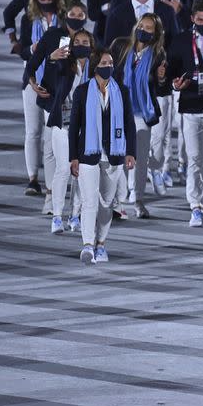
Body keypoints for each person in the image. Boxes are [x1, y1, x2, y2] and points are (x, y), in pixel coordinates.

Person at [69, 48, 136, 264]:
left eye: (111, 63)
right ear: (95, 66)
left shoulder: (122, 92)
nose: (108, 67)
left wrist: (130, 152)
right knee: (89, 202)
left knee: (107, 204)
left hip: (114, 156)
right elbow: (74, 127)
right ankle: (87, 245)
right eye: (104, 63)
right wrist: (73, 157)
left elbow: (129, 124)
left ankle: (100, 244)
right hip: (88, 154)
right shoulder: (81, 92)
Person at [26, 0, 90, 225]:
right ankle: (51, 197)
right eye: (73, 13)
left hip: (79, 111)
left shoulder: (88, 43)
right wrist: (34, 83)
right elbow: (32, 65)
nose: (77, 17)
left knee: (77, 160)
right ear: (66, 15)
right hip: (53, 102)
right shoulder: (53, 36)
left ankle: (75, 209)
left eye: (81, 14)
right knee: (52, 150)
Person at [168, 0, 203, 227]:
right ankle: (196, 206)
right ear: (192, 19)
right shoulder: (181, 40)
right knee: (194, 159)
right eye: (199, 20)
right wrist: (174, 84)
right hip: (191, 105)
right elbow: (171, 70)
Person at [111, 13, 168, 218]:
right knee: (120, 155)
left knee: (140, 158)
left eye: (149, 28)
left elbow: (161, 85)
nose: (143, 29)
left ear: (156, 33)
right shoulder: (120, 46)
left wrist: (161, 79)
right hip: (120, 110)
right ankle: (121, 197)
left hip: (143, 113)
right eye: (141, 25)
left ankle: (139, 199)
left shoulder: (158, 54)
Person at [18, 0, 65, 205]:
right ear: (36, 0)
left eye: (50, 0)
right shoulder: (28, 20)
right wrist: (31, 50)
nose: (46, 4)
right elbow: (22, 49)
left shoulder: (63, 21)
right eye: (42, 0)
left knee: (50, 133)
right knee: (33, 130)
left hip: (53, 80)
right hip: (32, 77)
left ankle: (52, 182)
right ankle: (32, 178)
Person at [44, 28, 94, 234]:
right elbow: (50, 75)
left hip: (87, 126)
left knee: (80, 172)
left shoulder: (96, 66)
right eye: (78, 42)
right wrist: (51, 58)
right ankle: (57, 216)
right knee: (63, 169)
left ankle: (75, 215)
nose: (81, 45)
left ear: (91, 45)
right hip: (63, 124)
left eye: (85, 42)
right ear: (72, 45)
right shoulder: (65, 63)